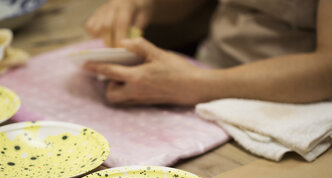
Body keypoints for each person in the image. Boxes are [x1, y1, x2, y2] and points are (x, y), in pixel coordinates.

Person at [84, 0, 332, 106]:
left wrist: (195, 84)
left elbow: (327, 69)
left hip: (293, 101)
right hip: (205, 70)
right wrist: (144, 3)